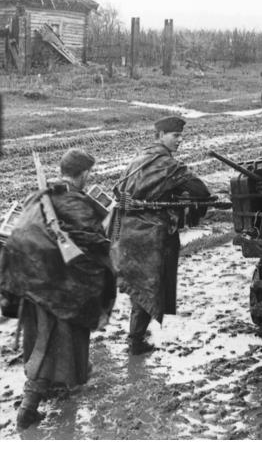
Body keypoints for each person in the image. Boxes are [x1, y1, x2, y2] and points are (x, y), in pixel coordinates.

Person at [0, 148, 116, 430]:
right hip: (56, 289)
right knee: (49, 344)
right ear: (84, 175)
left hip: (28, 281)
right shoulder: (75, 203)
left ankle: (60, 384)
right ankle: (28, 408)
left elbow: (19, 233)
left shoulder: (39, 196)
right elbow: (95, 245)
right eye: (88, 174)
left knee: (40, 338)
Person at [112, 116, 211, 355]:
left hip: (128, 232)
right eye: (175, 136)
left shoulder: (138, 160)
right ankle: (136, 342)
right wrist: (184, 197)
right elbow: (201, 191)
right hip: (152, 236)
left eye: (180, 136)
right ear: (160, 136)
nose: (179, 140)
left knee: (140, 286)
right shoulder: (167, 165)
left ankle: (136, 336)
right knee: (150, 285)